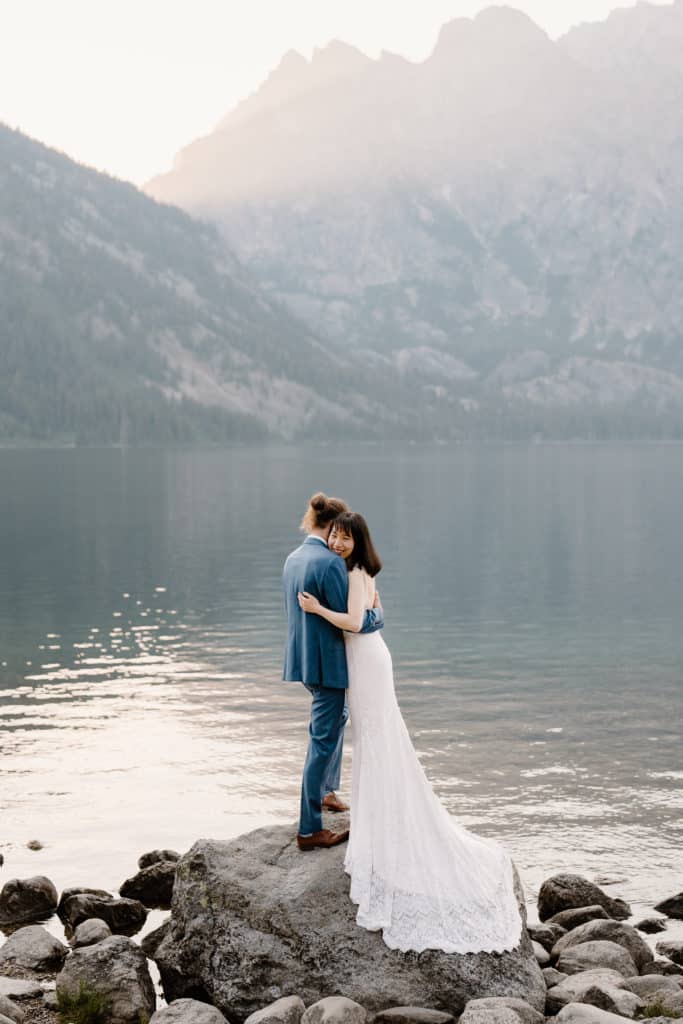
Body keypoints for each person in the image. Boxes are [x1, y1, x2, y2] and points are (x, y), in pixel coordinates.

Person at [297, 511, 523, 954]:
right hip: (363, 662)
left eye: (346, 538)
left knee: (379, 738)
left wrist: (317, 609)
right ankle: (376, 812)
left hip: (368, 661)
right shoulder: (346, 570)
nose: (339, 543)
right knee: (372, 739)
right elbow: (377, 612)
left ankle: (386, 819)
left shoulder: (357, 571)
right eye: (336, 536)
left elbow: (360, 621)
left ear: (358, 542)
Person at [282, 493, 384, 851]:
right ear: (331, 528)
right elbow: (355, 621)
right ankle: (310, 829)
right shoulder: (328, 563)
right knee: (321, 743)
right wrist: (379, 614)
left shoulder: (293, 558)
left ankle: (326, 792)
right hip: (328, 666)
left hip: (304, 661)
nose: (338, 543)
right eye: (337, 534)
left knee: (335, 720)